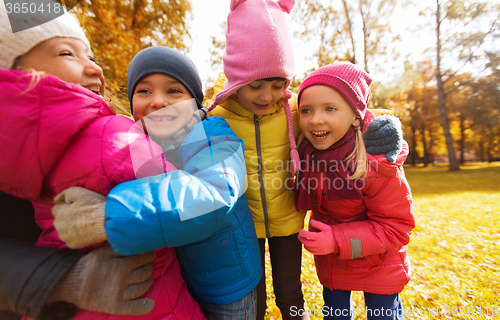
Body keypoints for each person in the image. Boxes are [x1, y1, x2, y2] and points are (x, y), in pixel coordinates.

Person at [0, 6, 205, 320]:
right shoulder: (115, 134)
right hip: (152, 302)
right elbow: (198, 201)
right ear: (16, 74)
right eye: (68, 53)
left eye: (92, 57)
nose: (95, 69)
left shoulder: (20, 150)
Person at [204, 0, 403, 319]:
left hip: (287, 220)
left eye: (278, 84)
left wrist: (383, 131)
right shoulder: (215, 116)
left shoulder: (297, 110)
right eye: (255, 85)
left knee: (289, 289)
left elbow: (344, 119)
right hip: (242, 224)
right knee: (251, 294)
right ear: (236, 76)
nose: (266, 96)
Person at [53, 46, 261, 320]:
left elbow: (216, 192)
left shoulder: (214, 134)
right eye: (144, 91)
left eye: (174, 91)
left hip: (227, 286)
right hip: (181, 281)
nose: (158, 101)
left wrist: (110, 214)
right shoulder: (139, 145)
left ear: (195, 100)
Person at [295, 62, 415, 320]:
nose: (315, 119)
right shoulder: (309, 154)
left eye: (330, 108)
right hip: (335, 263)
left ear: (355, 116)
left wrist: (336, 240)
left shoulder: (377, 163)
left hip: (380, 262)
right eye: (306, 110)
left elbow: (396, 227)